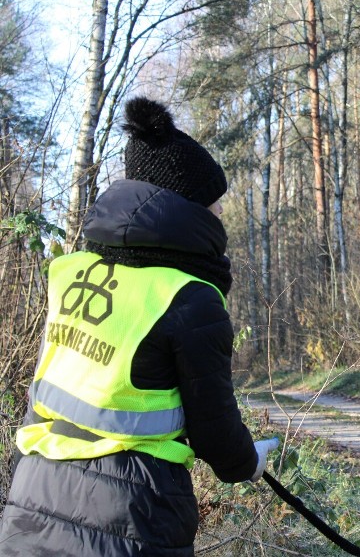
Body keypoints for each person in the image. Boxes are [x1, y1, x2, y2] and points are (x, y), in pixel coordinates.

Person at [0, 97, 279, 556]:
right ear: (186, 209)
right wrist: (248, 463)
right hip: (133, 510)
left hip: (34, 491)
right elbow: (213, 429)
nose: (221, 214)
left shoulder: (70, 271)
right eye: (215, 204)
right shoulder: (189, 298)